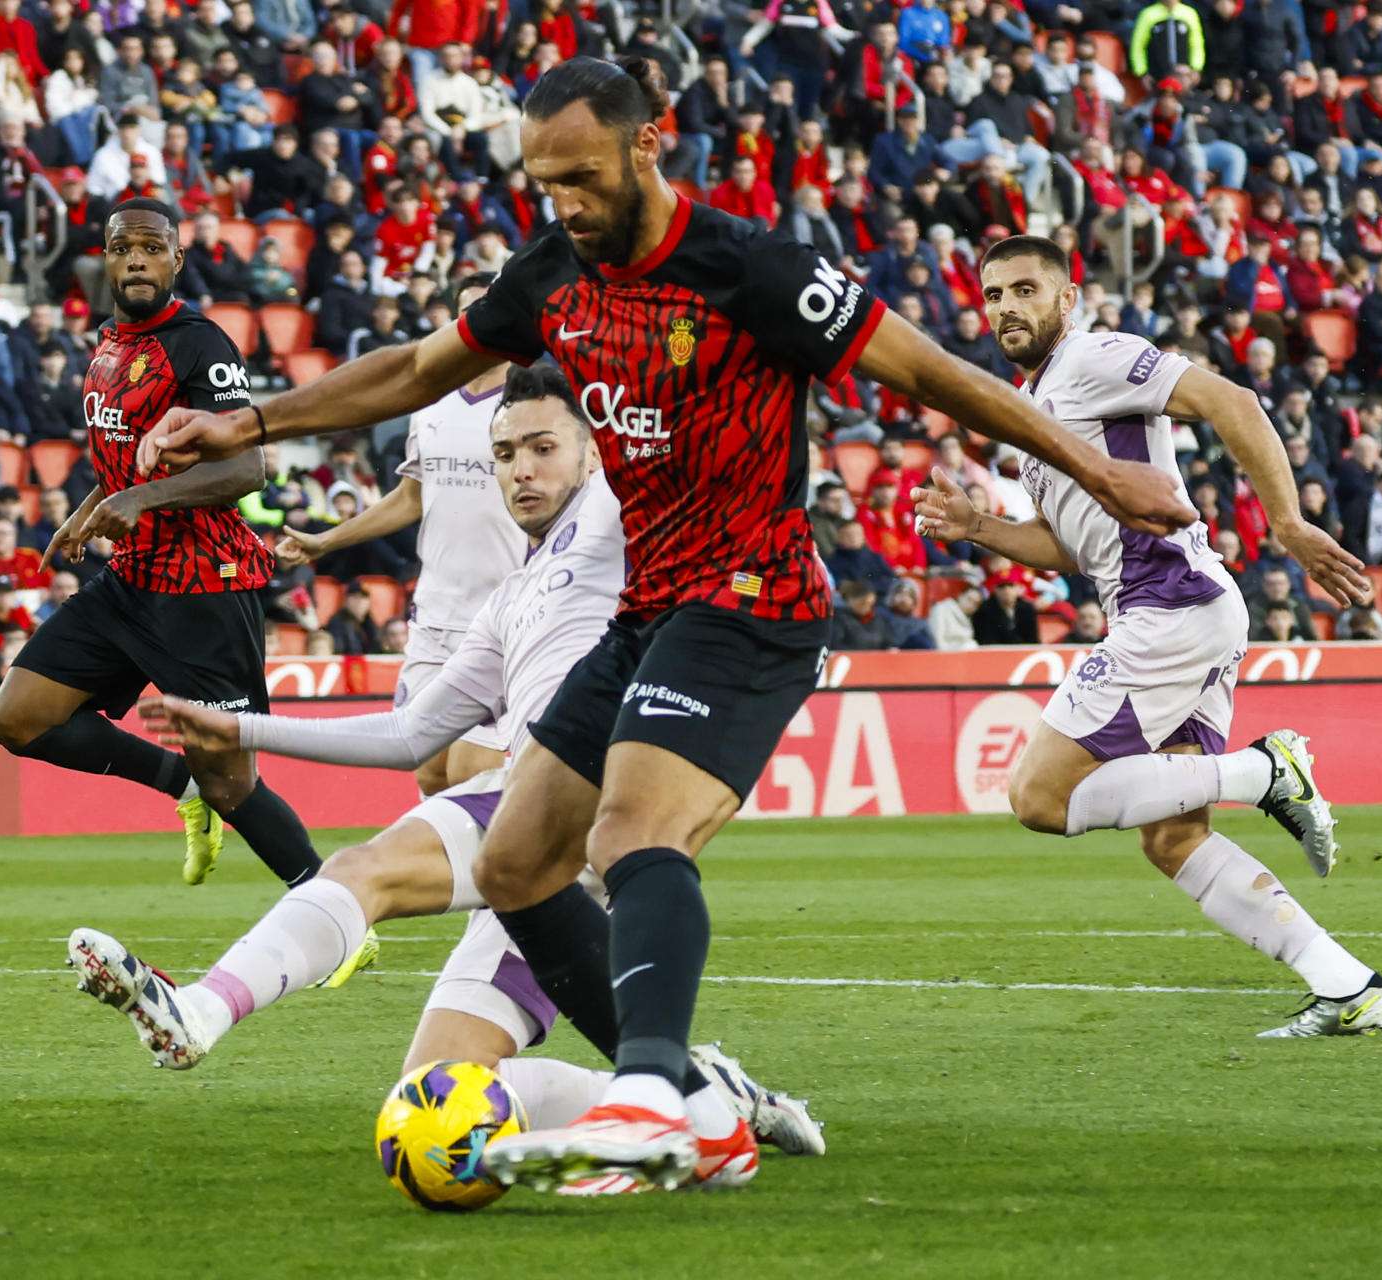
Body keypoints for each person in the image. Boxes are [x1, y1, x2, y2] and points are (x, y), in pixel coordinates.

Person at [137, 56, 1191, 1194]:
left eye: (584, 177)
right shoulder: (552, 272)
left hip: (753, 599)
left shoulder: (752, 270)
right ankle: (693, 1097)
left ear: (652, 142)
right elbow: (411, 368)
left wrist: (1098, 471)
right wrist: (250, 416)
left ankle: (646, 1097)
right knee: (516, 863)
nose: (567, 205)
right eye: (545, 184)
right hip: (650, 610)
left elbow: (933, 372)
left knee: (634, 834)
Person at [77, 367, 818, 1185]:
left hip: (577, 797)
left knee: (367, 870)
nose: (521, 470)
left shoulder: (617, 517)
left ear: (594, 453)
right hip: (537, 843)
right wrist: (241, 727)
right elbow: (411, 733)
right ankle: (704, 1097)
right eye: (504, 453)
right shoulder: (510, 599)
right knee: (434, 1097)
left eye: (543, 448)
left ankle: (202, 1011)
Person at [913, 234, 1382, 1050]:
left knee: (1038, 798)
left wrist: (1286, 522)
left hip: (1165, 607)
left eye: (1026, 290)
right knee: (1174, 839)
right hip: (1183, 610)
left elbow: (1230, 400)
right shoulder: (1036, 406)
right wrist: (980, 528)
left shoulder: (1097, 358)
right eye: (994, 295)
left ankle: (1264, 769)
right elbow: (1075, 543)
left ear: (1068, 298)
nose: (1006, 309)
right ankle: (1348, 986)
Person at [0, 197, 322, 891]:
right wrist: (86, 512)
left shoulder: (201, 344)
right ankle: (181, 787)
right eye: (121, 247)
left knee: (233, 782)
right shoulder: (110, 342)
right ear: (104, 260)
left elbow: (243, 467)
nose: (136, 258)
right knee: (17, 718)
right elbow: (121, 458)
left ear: (175, 257)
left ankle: (336, 909)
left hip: (207, 586)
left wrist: (135, 500)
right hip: (134, 581)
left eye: (150, 246)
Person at [272, 274, 523, 795]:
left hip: (506, 619)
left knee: (472, 773)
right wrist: (327, 540)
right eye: (467, 313)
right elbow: (411, 498)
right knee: (430, 773)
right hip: (435, 618)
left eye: (490, 310)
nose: (479, 323)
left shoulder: (533, 403)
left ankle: (554, 871)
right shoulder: (431, 403)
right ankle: (451, 878)